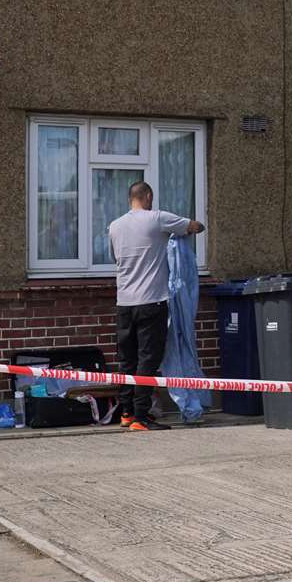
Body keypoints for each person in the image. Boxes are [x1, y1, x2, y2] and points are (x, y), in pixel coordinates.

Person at [108, 181, 204, 432]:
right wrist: (190, 229)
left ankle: (126, 413)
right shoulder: (157, 218)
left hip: (124, 304)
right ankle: (141, 416)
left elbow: (115, 258)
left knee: (126, 360)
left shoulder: (114, 226)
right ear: (148, 196)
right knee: (148, 360)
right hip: (152, 302)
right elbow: (194, 226)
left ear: (130, 199)